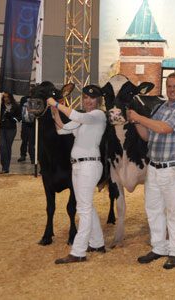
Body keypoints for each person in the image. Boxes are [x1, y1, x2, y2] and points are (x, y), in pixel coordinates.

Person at [128, 73, 175, 270]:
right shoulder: (158, 108)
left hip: (172, 167)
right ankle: (159, 247)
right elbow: (148, 136)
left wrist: (140, 117)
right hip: (154, 166)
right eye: (169, 86)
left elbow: (165, 128)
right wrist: (137, 122)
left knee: (173, 211)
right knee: (153, 209)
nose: (172, 90)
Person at [51, 85, 107, 264]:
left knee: (82, 208)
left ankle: (79, 251)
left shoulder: (98, 115)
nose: (88, 101)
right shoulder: (83, 119)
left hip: (89, 166)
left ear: (98, 100)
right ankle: (97, 243)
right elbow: (62, 129)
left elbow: (78, 116)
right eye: (85, 98)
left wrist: (58, 105)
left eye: (92, 98)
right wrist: (55, 113)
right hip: (79, 166)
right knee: (86, 206)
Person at [0, 93, 21, 174]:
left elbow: (19, 117)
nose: (6, 98)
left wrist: (12, 118)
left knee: (7, 147)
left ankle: (6, 167)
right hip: (1, 128)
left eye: (7, 97)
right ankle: (4, 165)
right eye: (4, 97)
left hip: (11, 128)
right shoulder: (1, 106)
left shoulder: (16, 106)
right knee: (1, 145)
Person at [18, 84, 36, 163]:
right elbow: (20, 109)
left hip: (32, 124)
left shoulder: (36, 100)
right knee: (24, 140)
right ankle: (23, 155)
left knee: (32, 141)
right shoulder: (23, 99)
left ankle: (33, 157)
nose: (30, 92)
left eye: (31, 90)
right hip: (25, 123)